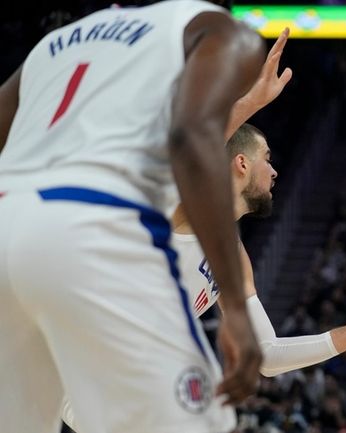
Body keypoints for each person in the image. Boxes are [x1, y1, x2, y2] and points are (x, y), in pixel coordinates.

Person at [0, 2, 267, 432]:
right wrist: (234, 308)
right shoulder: (218, 29)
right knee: (201, 422)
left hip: (6, 224)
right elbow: (190, 137)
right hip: (88, 226)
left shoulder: (59, 41)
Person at [62, 124, 346, 431]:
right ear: (241, 163)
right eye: (267, 158)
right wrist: (252, 101)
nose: (275, 170)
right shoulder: (190, 210)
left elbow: (266, 354)